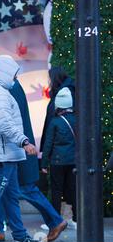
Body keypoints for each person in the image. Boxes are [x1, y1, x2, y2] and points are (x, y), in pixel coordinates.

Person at [0, 55, 44, 242]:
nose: (15, 79)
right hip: (1, 157)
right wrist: (24, 141)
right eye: (14, 75)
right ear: (6, 73)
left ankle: (20, 235)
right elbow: (4, 123)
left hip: (5, 156)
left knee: (9, 197)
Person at [9, 78, 68, 242]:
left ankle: (54, 221)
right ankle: (11, 231)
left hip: (16, 151)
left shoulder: (10, 89)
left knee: (24, 189)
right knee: (20, 189)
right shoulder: (15, 88)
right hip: (19, 150)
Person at [41, 87, 77, 229]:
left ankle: (55, 220)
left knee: (56, 190)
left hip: (57, 161)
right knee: (73, 189)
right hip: (73, 161)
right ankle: (75, 219)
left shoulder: (55, 122)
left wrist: (43, 163)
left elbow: (48, 144)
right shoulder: (77, 120)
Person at [38, 67, 75, 196]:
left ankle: (58, 216)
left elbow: (49, 137)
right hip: (71, 156)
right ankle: (71, 215)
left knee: (57, 190)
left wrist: (44, 161)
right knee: (70, 188)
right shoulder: (68, 91)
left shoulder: (61, 95)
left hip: (58, 156)